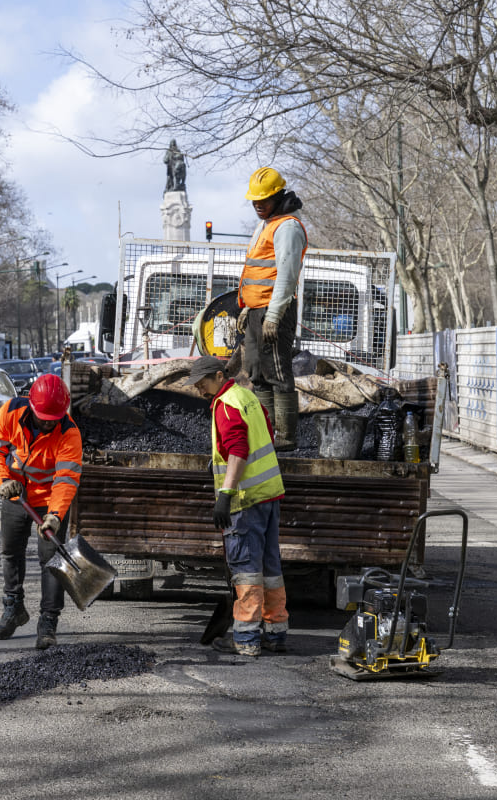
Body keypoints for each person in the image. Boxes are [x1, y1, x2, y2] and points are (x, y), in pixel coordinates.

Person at [186, 355, 289, 658]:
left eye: (203, 382)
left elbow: (240, 449)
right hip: (269, 496)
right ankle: (276, 634)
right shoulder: (248, 397)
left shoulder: (226, 404)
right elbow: (266, 437)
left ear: (219, 376)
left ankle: (245, 638)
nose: (199, 389)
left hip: (245, 501)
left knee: (245, 570)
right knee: (270, 569)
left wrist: (225, 493)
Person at [0, 373, 83, 650]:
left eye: (53, 419)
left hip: (49, 499)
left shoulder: (69, 433)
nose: (48, 423)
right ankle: (13, 608)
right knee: (10, 552)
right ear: (32, 406)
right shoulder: (11, 411)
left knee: (52, 560)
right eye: (43, 418)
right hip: (16, 494)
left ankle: (48, 620)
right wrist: (3, 481)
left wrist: (55, 515)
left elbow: (66, 479)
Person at [238, 166, 308, 451]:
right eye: (254, 200)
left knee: (277, 373)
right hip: (258, 310)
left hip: (273, 311)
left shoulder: (287, 227)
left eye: (263, 200)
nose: (257, 204)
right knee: (258, 373)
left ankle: (286, 437)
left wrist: (274, 316)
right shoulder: (267, 223)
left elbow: (287, 276)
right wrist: (247, 307)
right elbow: (258, 272)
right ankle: (266, 434)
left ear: (278, 197)